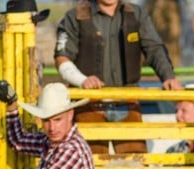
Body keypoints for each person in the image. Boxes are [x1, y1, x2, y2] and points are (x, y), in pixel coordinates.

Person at [54, 0, 184, 154]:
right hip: (88, 103)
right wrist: (82, 80)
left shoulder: (137, 14)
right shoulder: (74, 16)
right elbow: (61, 58)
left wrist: (168, 77)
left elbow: (154, 48)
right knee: (91, 164)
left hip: (127, 100)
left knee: (134, 165)